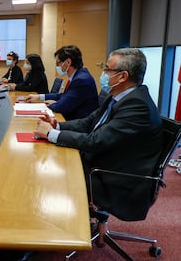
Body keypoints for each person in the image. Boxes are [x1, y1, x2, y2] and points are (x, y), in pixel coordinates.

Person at [34, 48, 162, 216]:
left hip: (115, 178)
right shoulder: (118, 95)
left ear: (123, 76)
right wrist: (56, 126)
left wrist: (51, 134)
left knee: (47, 175)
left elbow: (96, 141)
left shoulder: (137, 106)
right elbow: (88, 122)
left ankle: (63, 229)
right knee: (48, 162)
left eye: (107, 69)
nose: (103, 73)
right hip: (102, 161)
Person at [26, 45, 99, 120]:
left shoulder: (81, 80)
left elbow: (61, 107)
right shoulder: (78, 75)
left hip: (77, 123)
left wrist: (55, 104)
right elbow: (65, 95)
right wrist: (40, 97)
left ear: (68, 62)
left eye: (58, 63)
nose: (57, 66)